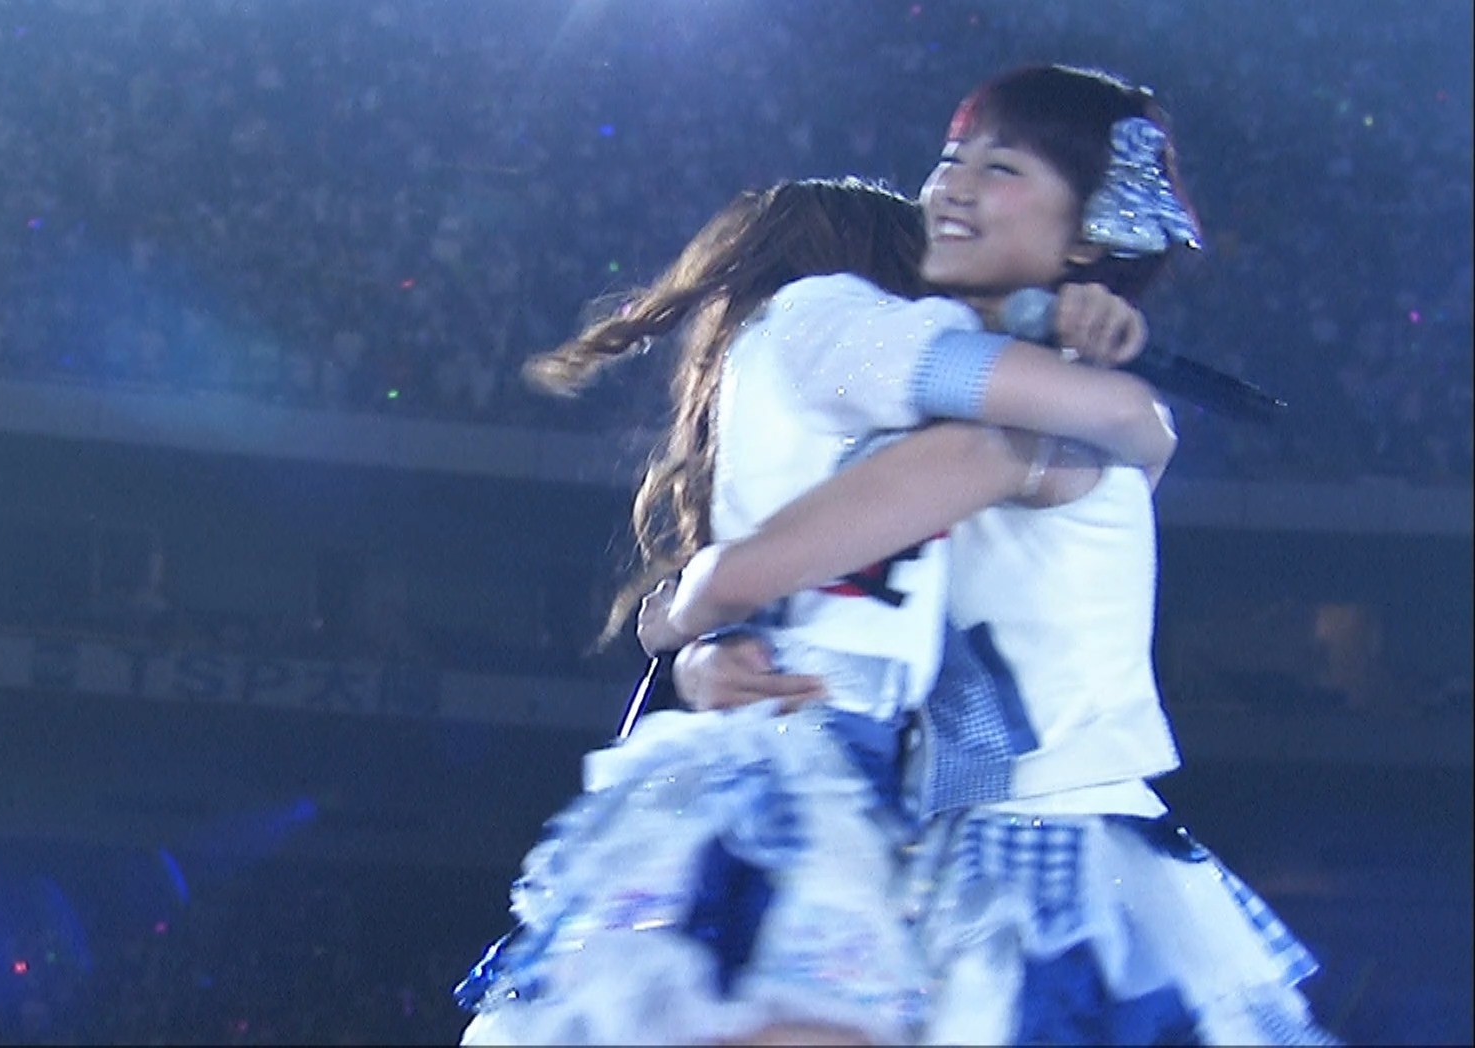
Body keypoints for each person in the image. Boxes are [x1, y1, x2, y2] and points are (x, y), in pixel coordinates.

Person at [645, 65, 1337, 1046]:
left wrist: (689, 613)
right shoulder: (1008, 411)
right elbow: (848, 597)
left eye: (1000, 167)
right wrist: (705, 655)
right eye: (950, 159)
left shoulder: (1010, 441)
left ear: (1085, 233)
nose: (952, 186)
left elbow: (760, 570)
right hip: (997, 843)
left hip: (1031, 855)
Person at [453, 169, 1177, 1046]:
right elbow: (1009, 398)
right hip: (819, 768)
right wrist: (1059, 334)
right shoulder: (827, 320)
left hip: (873, 778)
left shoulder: (855, 410)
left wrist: (689, 637)